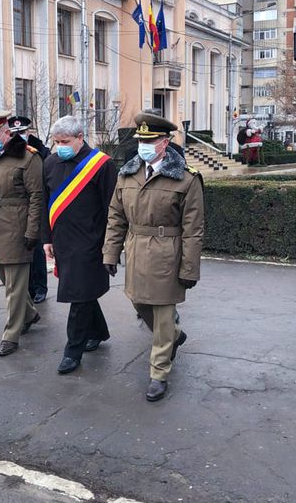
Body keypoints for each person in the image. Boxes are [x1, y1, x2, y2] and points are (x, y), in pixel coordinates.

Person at [103, 113, 204, 402]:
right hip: (136, 250)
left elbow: (193, 229)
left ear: (165, 142)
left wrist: (189, 268)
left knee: (162, 315)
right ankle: (174, 334)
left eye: (150, 141)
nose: (143, 146)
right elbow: (116, 217)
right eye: (141, 141)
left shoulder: (186, 178)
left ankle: (159, 373)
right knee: (139, 303)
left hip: (167, 253)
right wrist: (110, 252)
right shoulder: (127, 174)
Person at [41, 116, 117, 374]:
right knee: (82, 292)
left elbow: (112, 209)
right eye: (56, 142)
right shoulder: (50, 163)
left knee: (78, 295)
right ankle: (98, 332)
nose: (59, 146)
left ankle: (72, 351)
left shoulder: (101, 165)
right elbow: (44, 202)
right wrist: (46, 239)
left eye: (65, 141)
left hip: (91, 243)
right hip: (62, 240)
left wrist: (111, 246)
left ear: (80, 138)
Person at [0, 111, 44, 356]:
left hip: (16, 227)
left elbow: (36, 198)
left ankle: (11, 335)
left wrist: (32, 231)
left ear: (6, 132)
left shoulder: (27, 157)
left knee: (13, 287)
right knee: (8, 281)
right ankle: (30, 314)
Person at [8, 115, 50, 304]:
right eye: (15, 132)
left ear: (29, 132)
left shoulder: (40, 151)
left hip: (36, 205)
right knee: (19, 249)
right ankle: (26, 288)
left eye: (22, 132)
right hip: (16, 208)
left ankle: (40, 287)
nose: (19, 135)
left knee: (37, 249)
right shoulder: (8, 151)